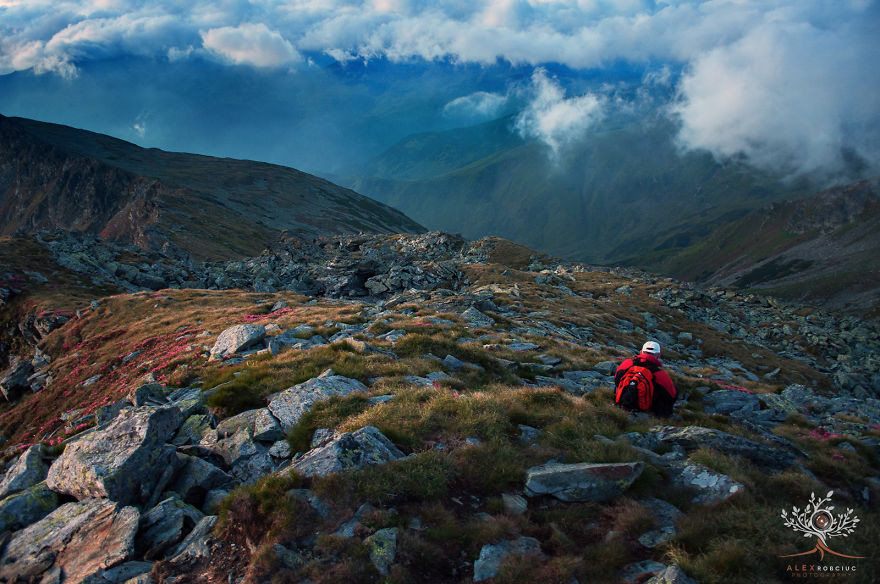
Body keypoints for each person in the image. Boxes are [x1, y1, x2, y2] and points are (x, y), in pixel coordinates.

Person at [614, 340, 677, 417]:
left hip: (622, 400)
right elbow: (672, 395)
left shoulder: (627, 363)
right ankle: (658, 416)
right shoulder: (659, 374)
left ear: (641, 352)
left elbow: (616, 380)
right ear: (658, 355)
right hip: (645, 406)